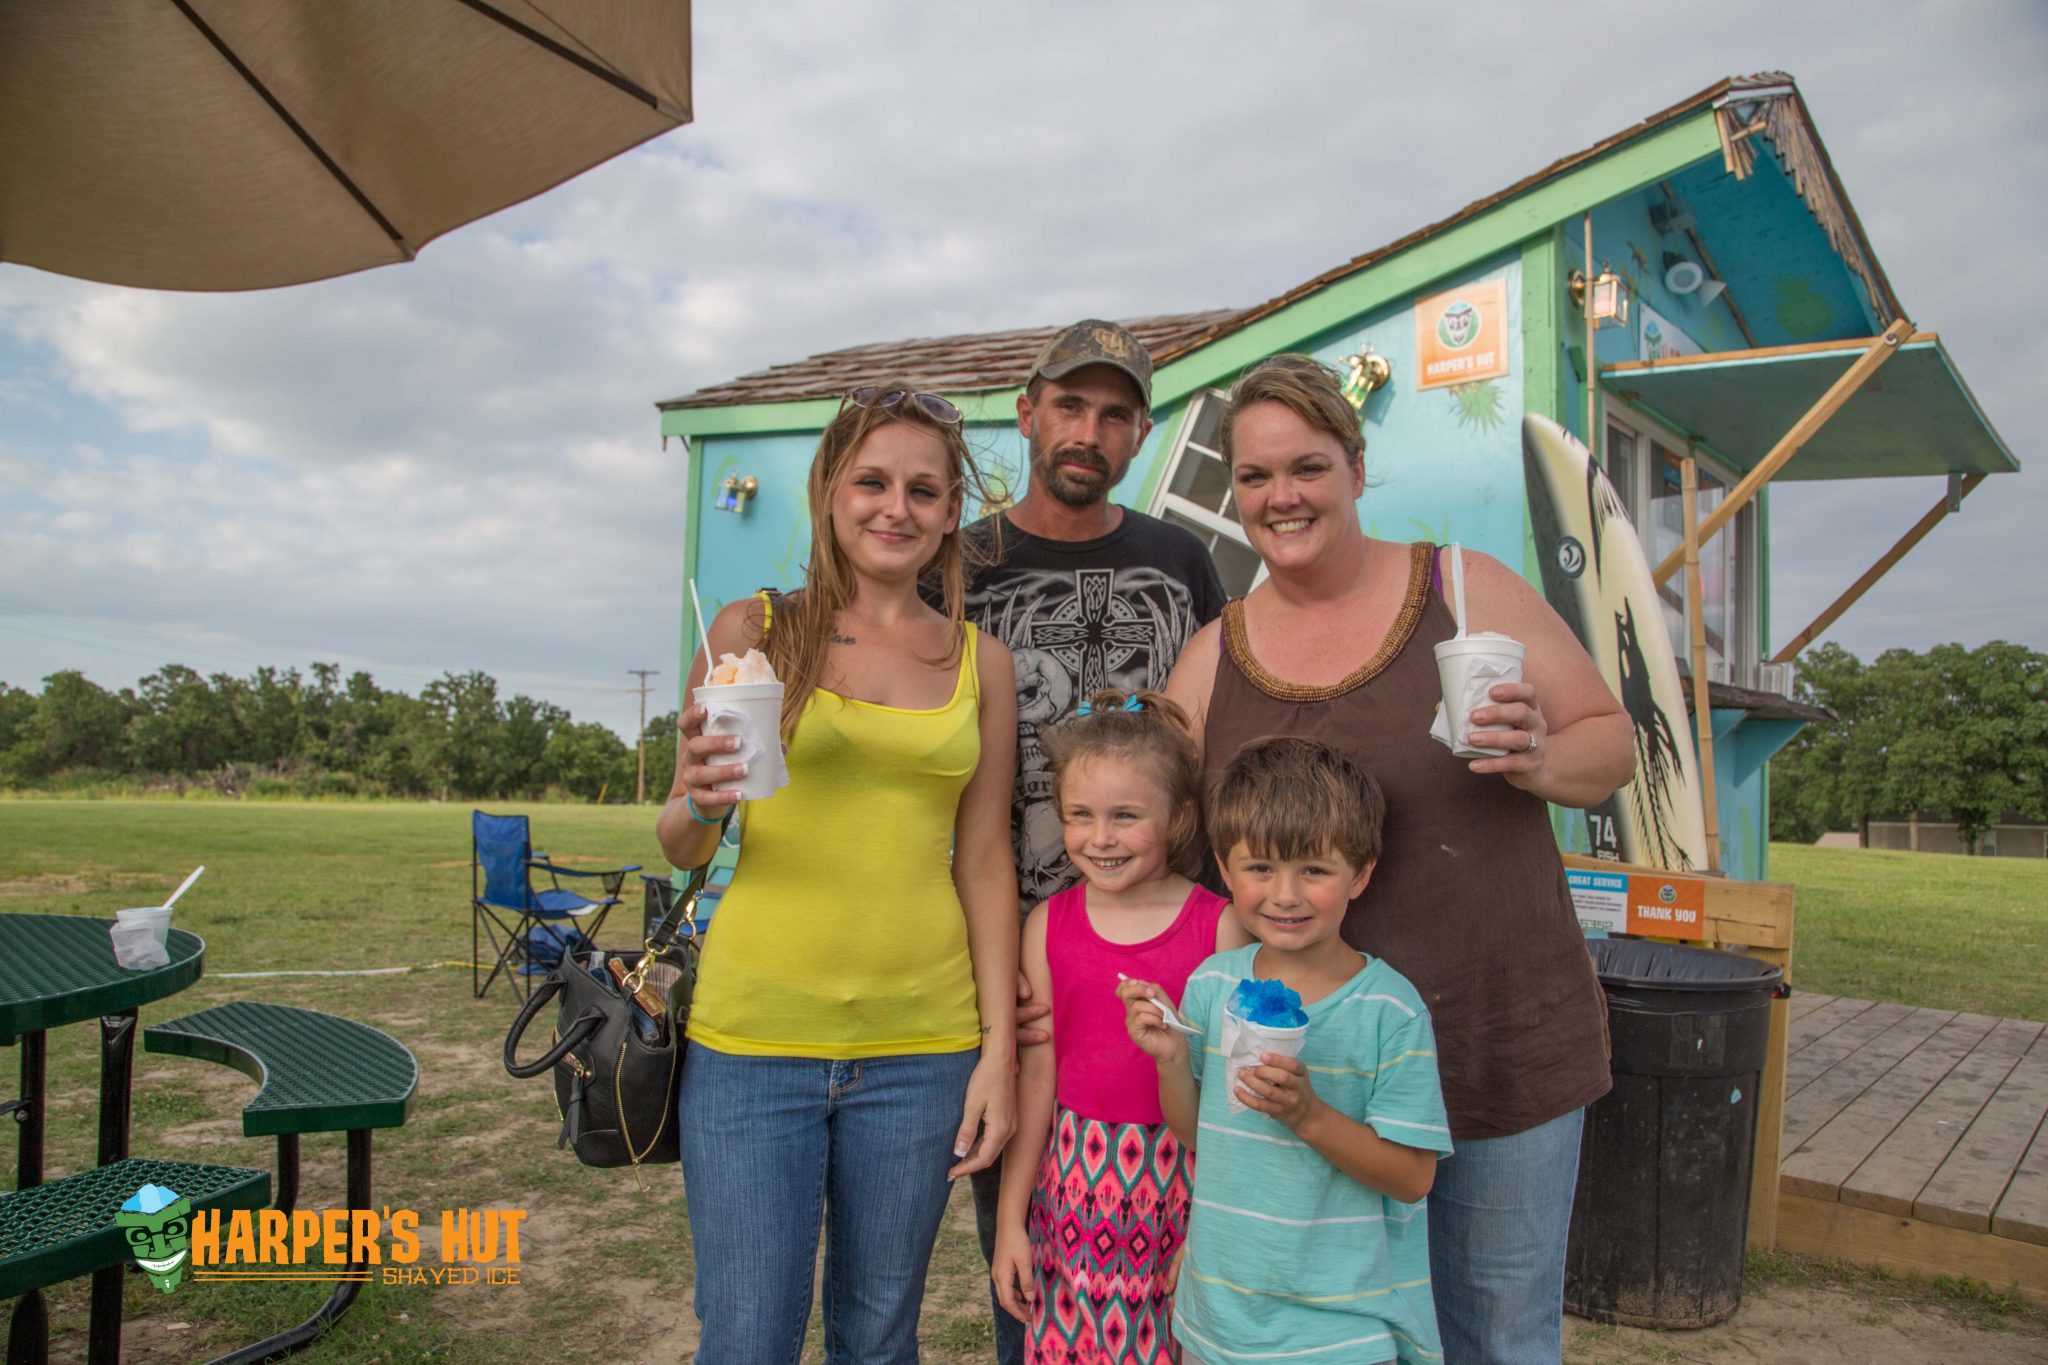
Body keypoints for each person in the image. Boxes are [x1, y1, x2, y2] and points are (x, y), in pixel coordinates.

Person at [1164, 355, 1635, 1365]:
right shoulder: (1212, 655)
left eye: (1306, 467)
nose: (1280, 497)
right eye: (1252, 478)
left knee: (1496, 1334)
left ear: (1355, 468)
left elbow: (1608, 745)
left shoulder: (1464, 589)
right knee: (1329, 1339)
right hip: (1308, 1079)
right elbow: (1166, 846)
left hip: (1493, 1041)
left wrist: (1539, 757)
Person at [656, 380, 1019, 1363]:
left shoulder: (981, 664)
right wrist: (698, 799)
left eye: (922, 490)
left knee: (876, 1340)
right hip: (753, 1038)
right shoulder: (752, 629)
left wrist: (997, 1051)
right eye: (870, 482)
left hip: (922, 1048)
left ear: (950, 513)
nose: (894, 508)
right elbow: (680, 846)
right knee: (746, 1340)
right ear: (827, 490)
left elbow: (986, 865)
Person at [961, 318, 1228, 1364]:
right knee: (1023, 1236)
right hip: (1009, 939)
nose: (1088, 430)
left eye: (1114, 414)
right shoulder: (963, 561)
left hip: (1155, 948)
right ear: (1028, 414)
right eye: (1068, 405)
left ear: (1138, 434)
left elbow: (1217, 731)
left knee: (1181, 1246)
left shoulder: (1179, 560)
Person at [1120, 736, 1451, 1364]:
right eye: (1261, 868)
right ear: (1224, 866)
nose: (1286, 894)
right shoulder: (1213, 984)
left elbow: (1413, 1179)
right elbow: (1198, 1134)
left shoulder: (1390, 1010)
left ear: (1362, 873)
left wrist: (1309, 1116)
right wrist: (1170, 1058)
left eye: (1315, 870)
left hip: (1339, 1333)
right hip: (1218, 1321)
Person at [989, 689, 1249, 1363]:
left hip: (1186, 1193)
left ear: (1180, 816)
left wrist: (1213, 1229)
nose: (1098, 838)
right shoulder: (1048, 925)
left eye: (1125, 816)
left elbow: (1233, 1098)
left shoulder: (1219, 927)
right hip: (1072, 1196)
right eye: (1079, 815)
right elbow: (1038, 1079)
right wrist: (1011, 1220)